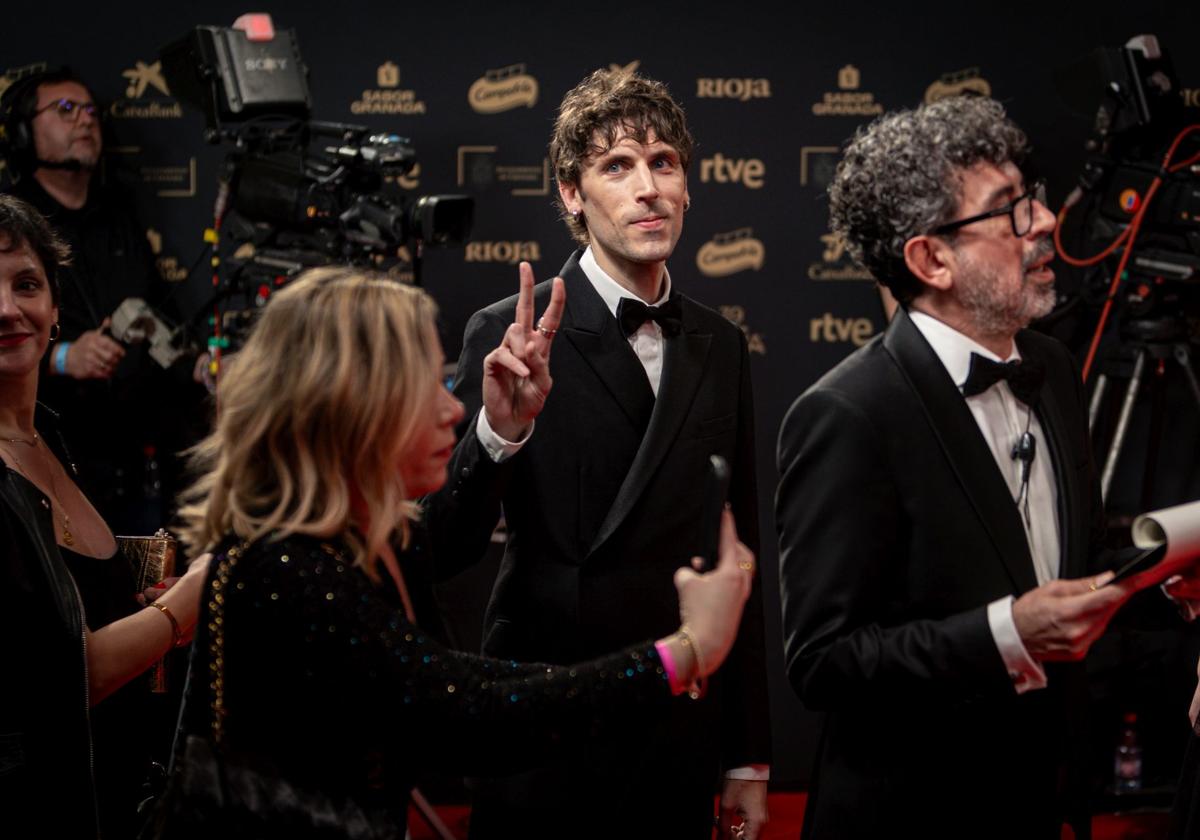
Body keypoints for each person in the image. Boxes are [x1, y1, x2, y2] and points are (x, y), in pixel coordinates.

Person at [155, 265, 757, 838]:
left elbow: (464, 685)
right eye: (426, 387)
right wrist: (683, 654)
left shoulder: (380, 543)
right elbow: (466, 714)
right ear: (350, 409)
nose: (452, 409)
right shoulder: (283, 568)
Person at [775, 96, 1140, 839]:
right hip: (910, 813)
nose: (1042, 223)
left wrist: (1168, 561)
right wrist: (1008, 632)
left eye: (1030, 197)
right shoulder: (848, 414)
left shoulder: (1053, 366)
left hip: (1041, 800)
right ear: (930, 258)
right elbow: (824, 661)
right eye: (1008, 210)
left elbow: (1067, 551)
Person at [426, 67, 770, 838]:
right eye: (617, 166)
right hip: (544, 726)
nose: (647, 187)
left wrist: (747, 759)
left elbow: (739, 556)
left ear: (686, 185)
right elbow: (442, 546)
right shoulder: (506, 335)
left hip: (675, 728)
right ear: (573, 194)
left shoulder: (719, 345)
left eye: (664, 162)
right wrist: (501, 431)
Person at [0, 193, 209, 838]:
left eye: (27, 284)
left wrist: (141, 603)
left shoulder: (48, 438)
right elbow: (58, 683)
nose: (8, 308)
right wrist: (182, 608)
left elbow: (66, 611)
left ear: (56, 308)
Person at [0, 66, 200, 533]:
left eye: (90, 110)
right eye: (65, 110)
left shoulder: (119, 217)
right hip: (47, 455)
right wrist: (65, 355)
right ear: (25, 132)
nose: (85, 121)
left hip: (135, 458)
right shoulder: (10, 225)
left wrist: (202, 368)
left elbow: (159, 318)